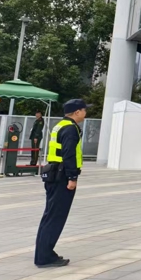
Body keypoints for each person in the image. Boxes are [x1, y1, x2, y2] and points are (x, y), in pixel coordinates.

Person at [34, 99, 87, 268]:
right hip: (62, 176)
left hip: (54, 174)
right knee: (56, 217)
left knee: (50, 215)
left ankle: (44, 253)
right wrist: (72, 177)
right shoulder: (71, 129)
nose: (85, 113)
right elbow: (68, 154)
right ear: (77, 112)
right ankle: (44, 257)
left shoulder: (60, 125)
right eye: (84, 110)